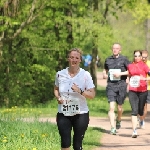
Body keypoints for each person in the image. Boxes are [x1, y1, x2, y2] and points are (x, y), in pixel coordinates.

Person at [54, 48, 95, 150]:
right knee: (65, 143)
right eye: (72, 57)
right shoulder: (60, 74)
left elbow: (92, 94)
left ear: (80, 60)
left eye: (77, 58)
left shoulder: (85, 75)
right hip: (63, 112)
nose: (74, 60)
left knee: (77, 145)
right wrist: (58, 97)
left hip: (81, 113)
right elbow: (56, 89)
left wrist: (80, 91)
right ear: (68, 58)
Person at [103, 43, 130, 135]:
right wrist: (104, 74)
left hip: (121, 85)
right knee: (111, 108)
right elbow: (105, 69)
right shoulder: (108, 60)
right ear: (112, 49)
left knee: (119, 108)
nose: (115, 50)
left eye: (117, 48)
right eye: (114, 48)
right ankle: (112, 128)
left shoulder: (124, 59)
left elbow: (130, 71)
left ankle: (119, 119)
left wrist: (121, 74)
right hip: (111, 85)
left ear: (120, 50)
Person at [127, 50, 150, 138]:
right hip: (132, 90)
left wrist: (145, 79)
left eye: (138, 56)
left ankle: (140, 119)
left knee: (141, 111)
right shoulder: (130, 66)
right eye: (135, 56)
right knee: (134, 110)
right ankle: (134, 131)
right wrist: (122, 75)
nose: (137, 57)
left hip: (143, 91)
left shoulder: (145, 66)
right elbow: (128, 73)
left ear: (141, 57)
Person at [139, 50, 150, 128]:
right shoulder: (137, 64)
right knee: (139, 106)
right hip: (139, 88)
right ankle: (137, 118)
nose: (144, 59)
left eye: (145, 57)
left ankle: (141, 119)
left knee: (147, 107)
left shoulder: (149, 64)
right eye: (143, 57)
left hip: (148, 88)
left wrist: (147, 79)